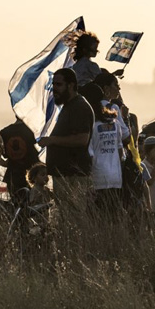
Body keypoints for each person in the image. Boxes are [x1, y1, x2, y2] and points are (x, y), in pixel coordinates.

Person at [38, 68, 94, 209]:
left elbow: (82, 139)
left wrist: (52, 140)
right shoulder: (69, 106)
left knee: (75, 218)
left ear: (70, 85)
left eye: (59, 84)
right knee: (64, 218)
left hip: (73, 176)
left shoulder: (79, 106)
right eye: (53, 84)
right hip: (64, 174)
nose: (54, 89)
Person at [80, 84, 125, 215]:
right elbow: (120, 150)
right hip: (115, 178)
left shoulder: (91, 126)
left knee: (97, 218)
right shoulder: (114, 123)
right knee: (113, 217)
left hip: (98, 178)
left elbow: (90, 155)